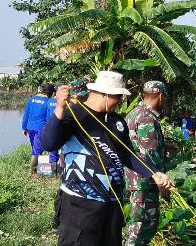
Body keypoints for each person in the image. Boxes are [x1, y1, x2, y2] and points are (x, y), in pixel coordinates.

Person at [41, 71, 173, 246]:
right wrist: (59, 109)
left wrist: (154, 173)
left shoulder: (117, 122)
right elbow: (48, 143)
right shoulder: (74, 115)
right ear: (104, 94)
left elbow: (127, 154)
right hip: (81, 203)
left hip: (112, 204)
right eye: (117, 97)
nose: (119, 102)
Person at [124, 81, 169, 246]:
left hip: (136, 180)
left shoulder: (134, 113)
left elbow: (137, 144)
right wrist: (162, 183)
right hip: (145, 182)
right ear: (161, 96)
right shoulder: (147, 117)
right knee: (142, 228)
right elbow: (150, 155)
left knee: (138, 226)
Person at [22, 83, 55, 177]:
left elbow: (26, 114)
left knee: (34, 148)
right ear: (50, 93)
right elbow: (49, 117)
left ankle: (36, 170)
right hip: (41, 128)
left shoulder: (31, 99)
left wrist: (24, 127)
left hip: (30, 128)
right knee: (36, 151)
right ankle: (32, 173)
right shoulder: (48, 102)